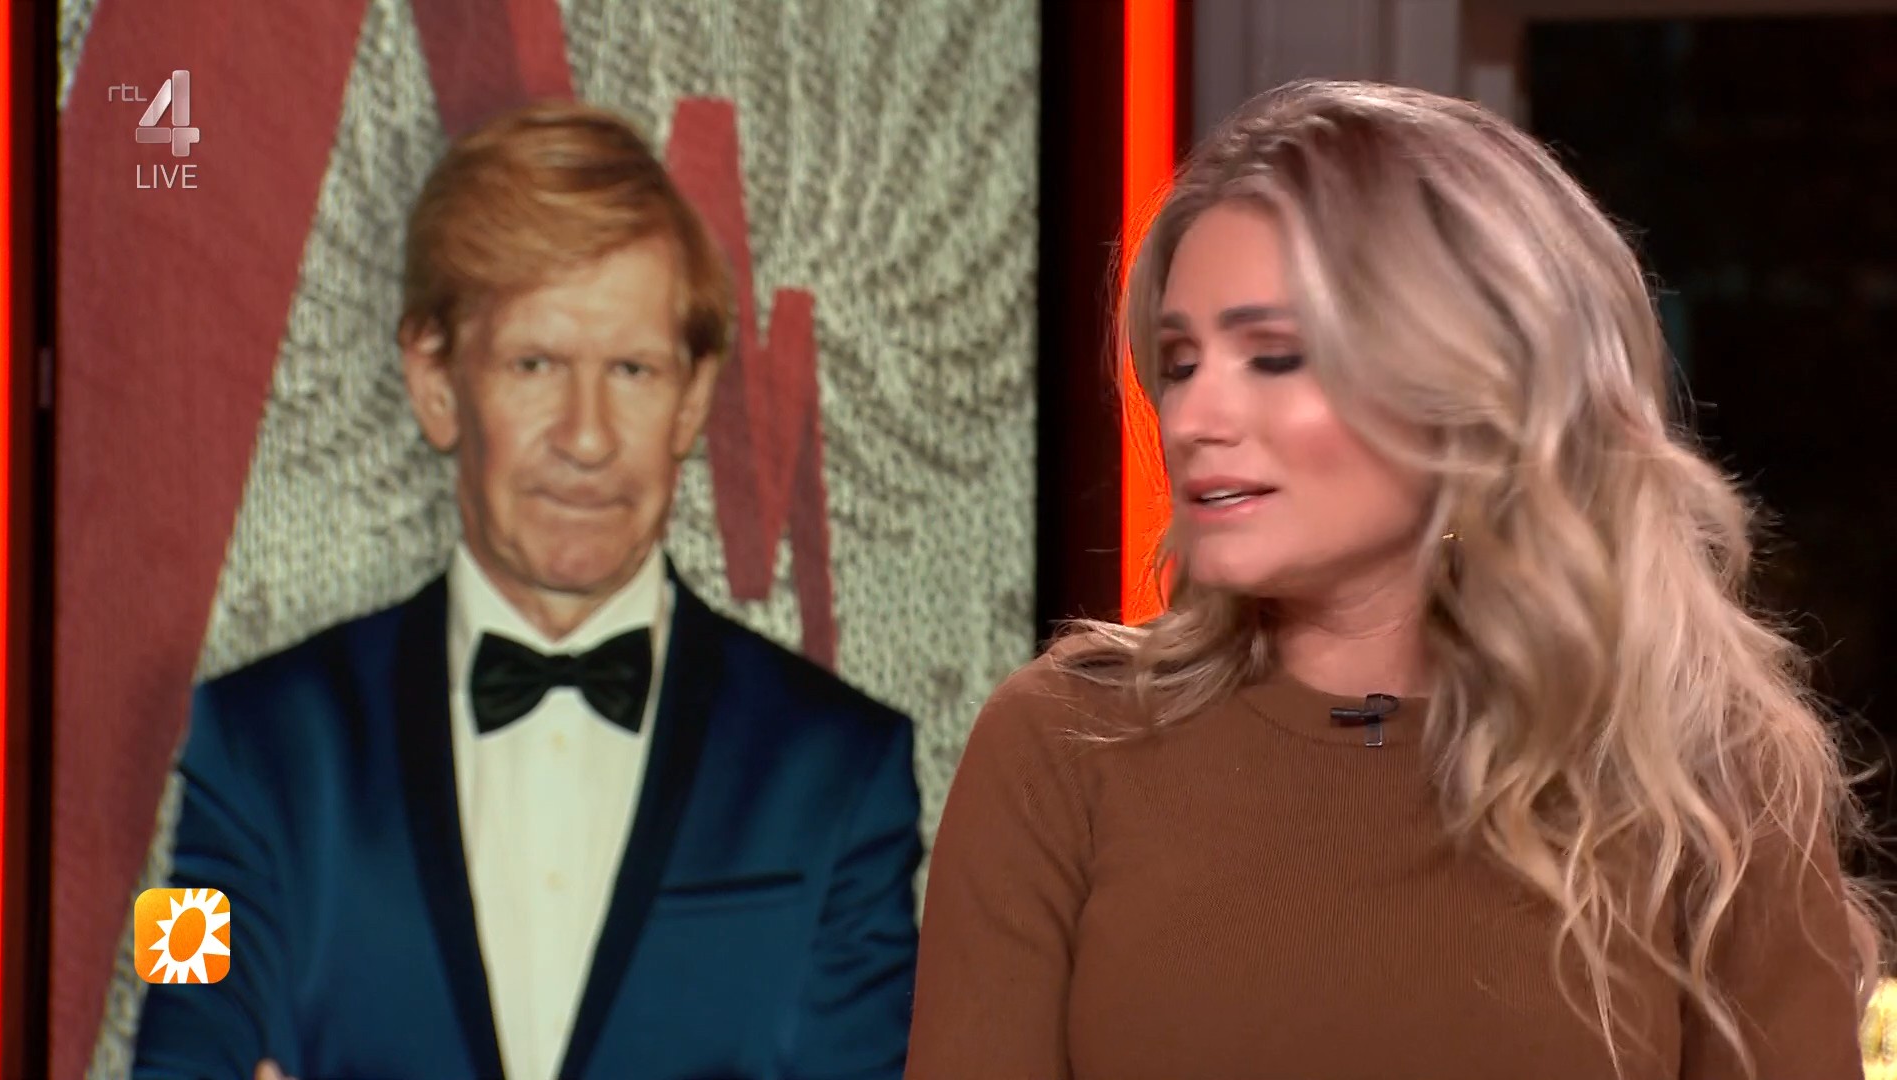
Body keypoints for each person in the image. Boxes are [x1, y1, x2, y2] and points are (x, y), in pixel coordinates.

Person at [905, 80, 1885, 1080]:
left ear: (1472, 389)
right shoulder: (1064, 749)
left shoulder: (1706, 773)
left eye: (1274, 356)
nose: (1194, 418)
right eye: (1182, 361)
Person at [132, 101, 923, 1080]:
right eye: (535, 363)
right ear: (434, 380)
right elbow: (174, 1058)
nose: (586, 437)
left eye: (632, 370)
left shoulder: (841, 771)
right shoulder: (246, 745)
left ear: (692, 398)